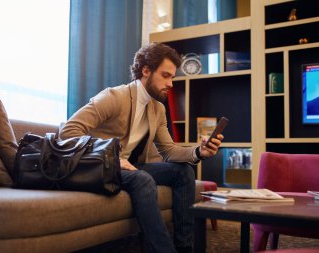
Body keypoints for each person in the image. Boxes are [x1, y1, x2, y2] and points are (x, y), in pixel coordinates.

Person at [59, 42, 224, 253]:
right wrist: (111, 159)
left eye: (172, 77)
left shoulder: (157, 109)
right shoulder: (113, 97)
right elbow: (68, 132)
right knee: (141, 178)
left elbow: (169, 151)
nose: (171, 84)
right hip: (97, 166)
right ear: (146, 70)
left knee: (183, 171)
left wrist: (199, 151)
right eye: (165, 75)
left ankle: (184, 247)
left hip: (128, 167)